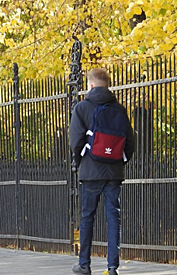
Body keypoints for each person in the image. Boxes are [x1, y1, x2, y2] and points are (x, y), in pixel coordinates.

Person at [69, 68, 135, 275]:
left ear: (90, 85)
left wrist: (78, 161)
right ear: (107, 85)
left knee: (87, 216)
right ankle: (112, 266)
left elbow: (76, 141)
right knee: (113, 217)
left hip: (90, 170)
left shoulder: (82, 108)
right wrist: (119, 161)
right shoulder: (119, 109)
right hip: (113, 172)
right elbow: (130, 141)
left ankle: (84, 264)